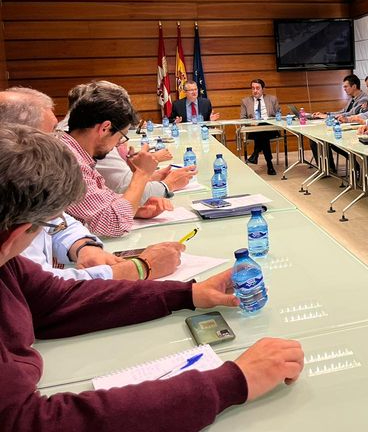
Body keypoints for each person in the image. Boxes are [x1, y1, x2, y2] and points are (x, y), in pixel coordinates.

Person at [0, 123, 304, 429]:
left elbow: (58, 300)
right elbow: (31, 422)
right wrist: (234, 382)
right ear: (16, 234)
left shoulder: (7, 263)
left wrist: (187, 294)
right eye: (47, 226)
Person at [0, 87, 184, 281]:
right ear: (17, 138)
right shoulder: (41, 169)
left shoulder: (44, 165)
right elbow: (44, 289)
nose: (59, 139)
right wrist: (141, 268)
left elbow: (57, 220)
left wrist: (82, 245)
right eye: (51, 132)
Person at [61, 83, 173, 237]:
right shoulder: (69, 163)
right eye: (120, 136)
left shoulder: (73, 150)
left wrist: (136, 211)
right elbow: (114, 224)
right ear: (105, 128)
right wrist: (142, 173)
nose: (119, 143)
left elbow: (102, 199)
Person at [240, 78, 280, 175]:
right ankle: (269, 164)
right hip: (254, 130)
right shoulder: (245, 101)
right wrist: (251, 123)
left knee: (263, 126)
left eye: (257, 88)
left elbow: (278, 115)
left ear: (263, 89)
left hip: (270, 129)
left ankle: (255, 153)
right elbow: (242, 119)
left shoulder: (272, 99)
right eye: (253, 88)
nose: (255, 91)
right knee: (262, 134)